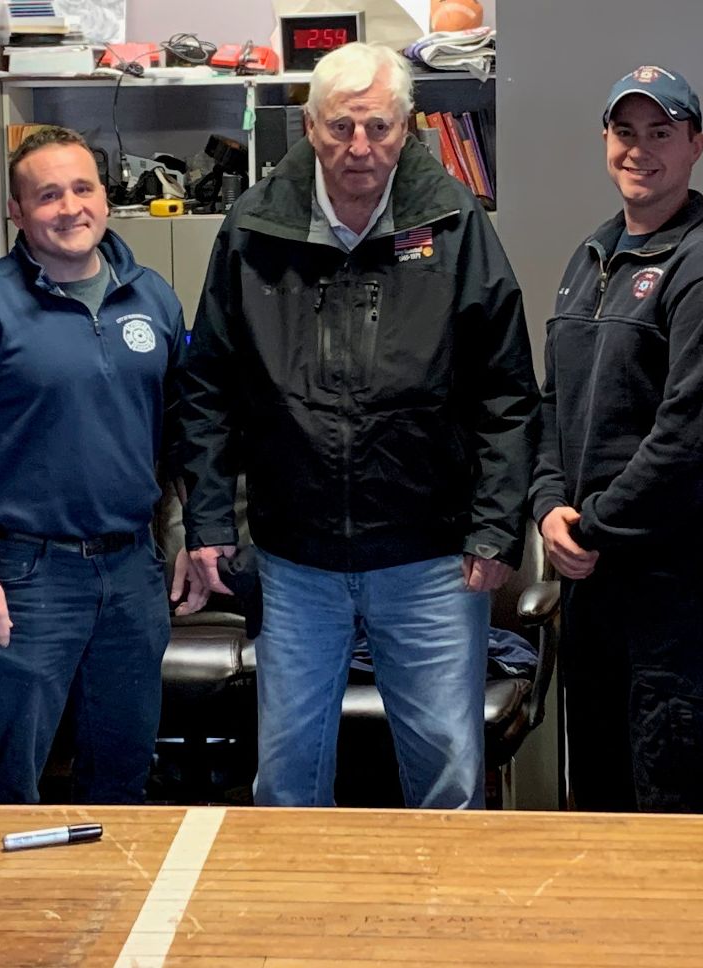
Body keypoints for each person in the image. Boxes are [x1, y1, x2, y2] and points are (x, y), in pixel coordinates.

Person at [175, 42, 537, 809]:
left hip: (431, 556)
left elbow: (505, 392)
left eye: (378, 127)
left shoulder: (454, 223)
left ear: (408, 128)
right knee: (287, 772)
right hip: (296, 556)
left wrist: (495, 528)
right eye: (341, 127)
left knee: (448, 769)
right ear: (309, 127)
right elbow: (208, 386)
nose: (359, 147)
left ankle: (443, 919)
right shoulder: (252, 230)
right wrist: (208, 518)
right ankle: (303, 922)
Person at [0, 125, 184, 804]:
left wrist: (182, 538)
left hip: (130, 571)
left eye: (83, 188)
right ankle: (5, 910)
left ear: (106, 197)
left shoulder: (152, 297)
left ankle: (113, 905)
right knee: (11, 773)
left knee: (124, 767)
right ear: (17, 211)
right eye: (48, 195)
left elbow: (181, 431)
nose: (70, 208)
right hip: (27, 574)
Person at [530, 66, 703, 813]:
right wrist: (545, 508)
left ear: (696, 144)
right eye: (625, 132)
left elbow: (689, 438)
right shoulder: (589, 258)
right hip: (592, 584)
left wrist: (589, 525)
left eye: (660, 133)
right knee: (595, 789)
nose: (640, 149)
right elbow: (551, 406)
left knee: (674, 797)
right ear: (605, 141)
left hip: (677, 593)